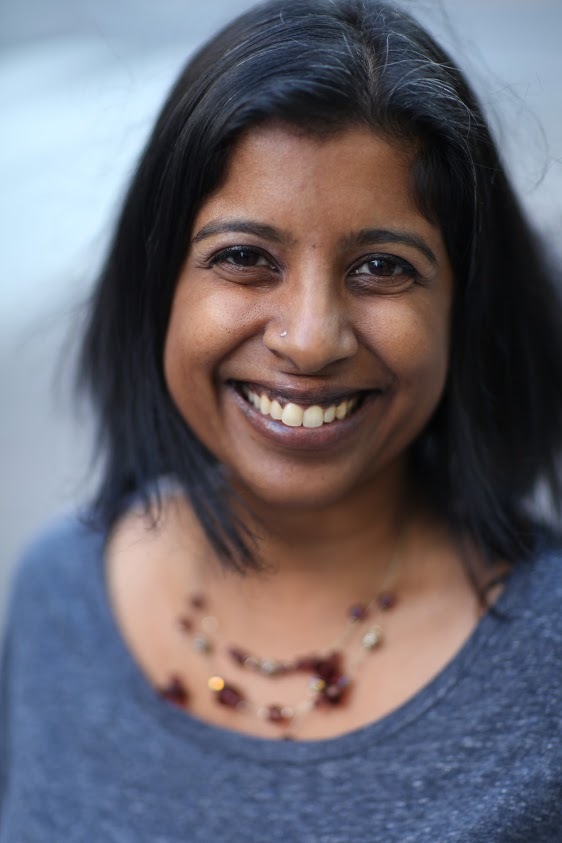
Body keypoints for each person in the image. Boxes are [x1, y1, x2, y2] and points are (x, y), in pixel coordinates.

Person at [2, 0, 562, 839]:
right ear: (159, 287)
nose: (309, 340)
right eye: (244, 258)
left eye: (382, 266)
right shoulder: (59, 595)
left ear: (465, 309)